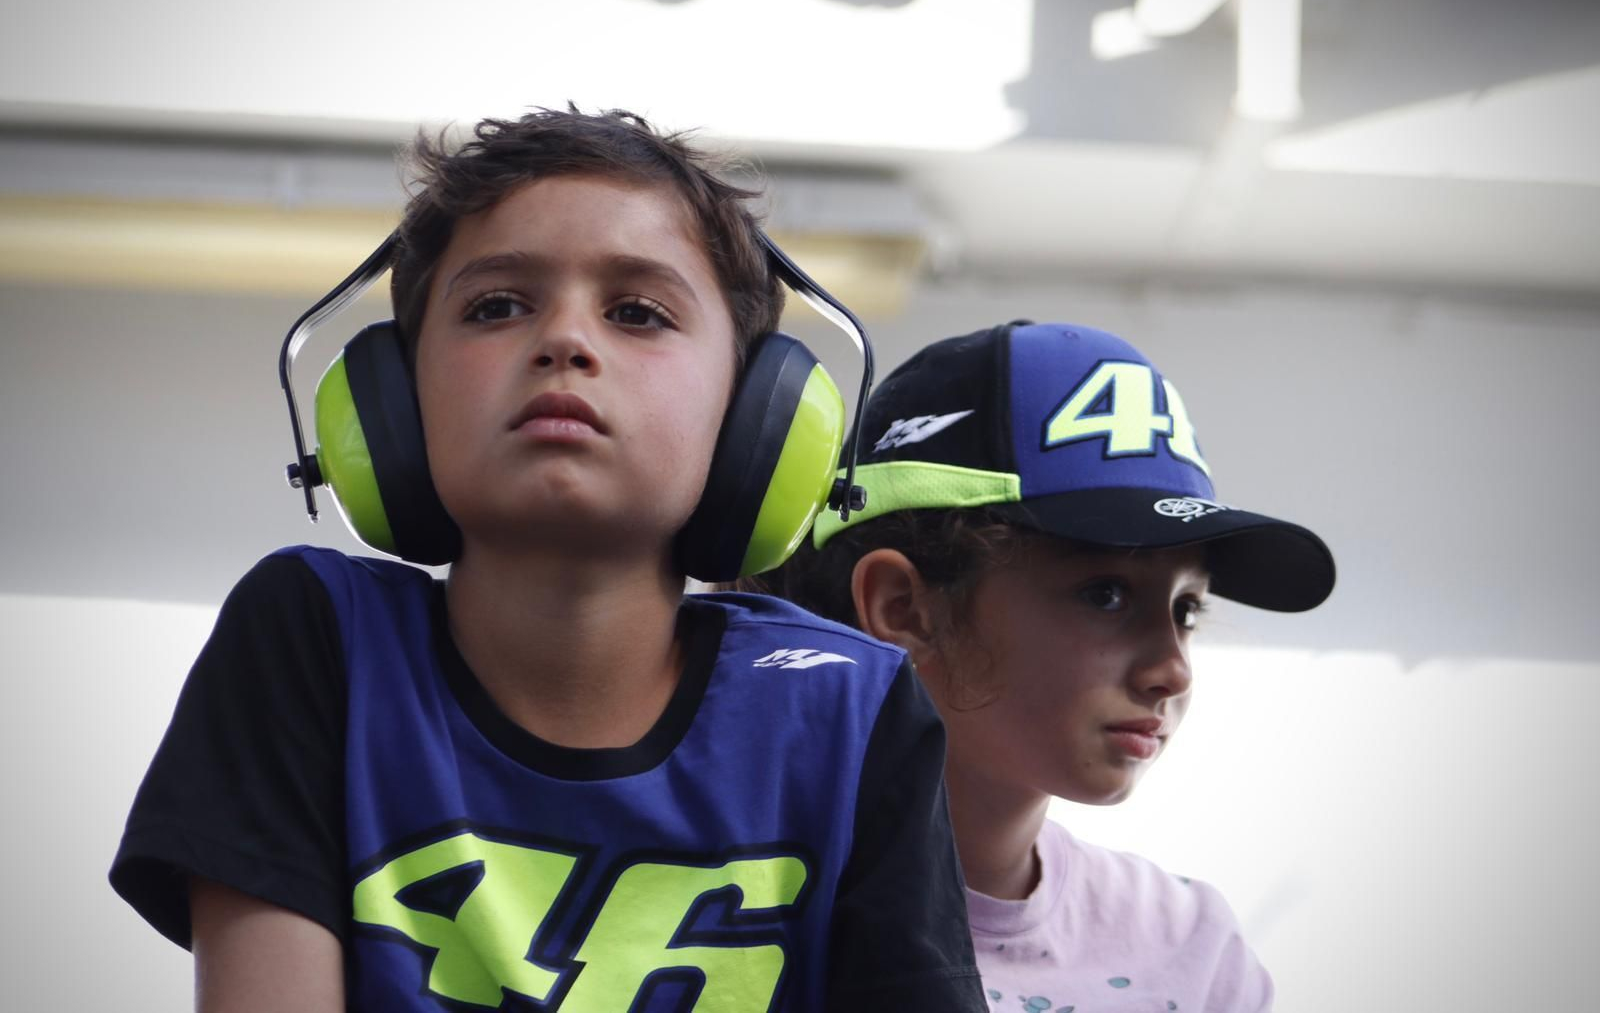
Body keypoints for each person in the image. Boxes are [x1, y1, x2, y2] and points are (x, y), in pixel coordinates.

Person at [110, 108, 986, 1011]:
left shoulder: (847, 709)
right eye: (496, 306)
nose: (564, 341)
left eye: (638, 313)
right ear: (393, 399)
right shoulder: (318, 640)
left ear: (757, 420)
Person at [744, 320, 1336, 1011]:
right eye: (1107, 594)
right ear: (905, 608)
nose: (1173, 672)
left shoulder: (1192, 947)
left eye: (1187, 610)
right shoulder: (709, 909)